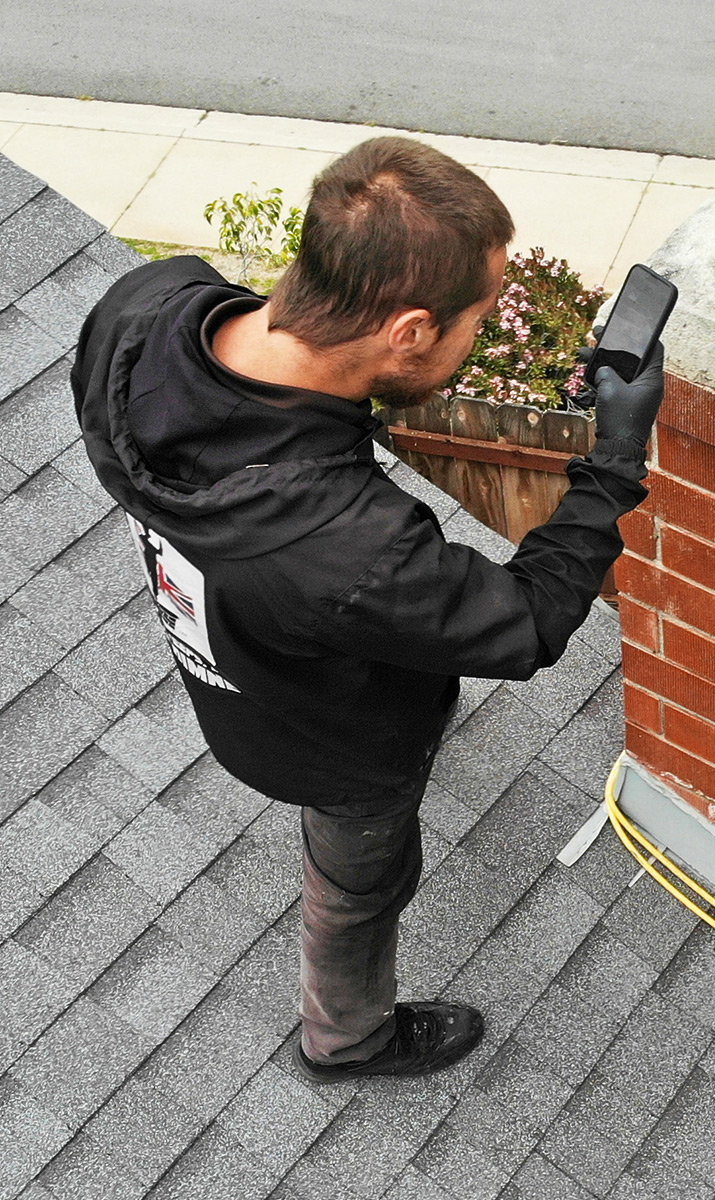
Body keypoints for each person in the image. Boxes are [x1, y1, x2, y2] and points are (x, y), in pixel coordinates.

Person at [71, 136, 663, 1083]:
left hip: (242, 664)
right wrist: (615, 463)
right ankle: (346, 1038)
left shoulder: (144, 311)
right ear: (410, 331)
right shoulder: (350, 552)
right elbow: (527, 621)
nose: (484, 338)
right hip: (331, 743)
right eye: (478, 321)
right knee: (357, 884)